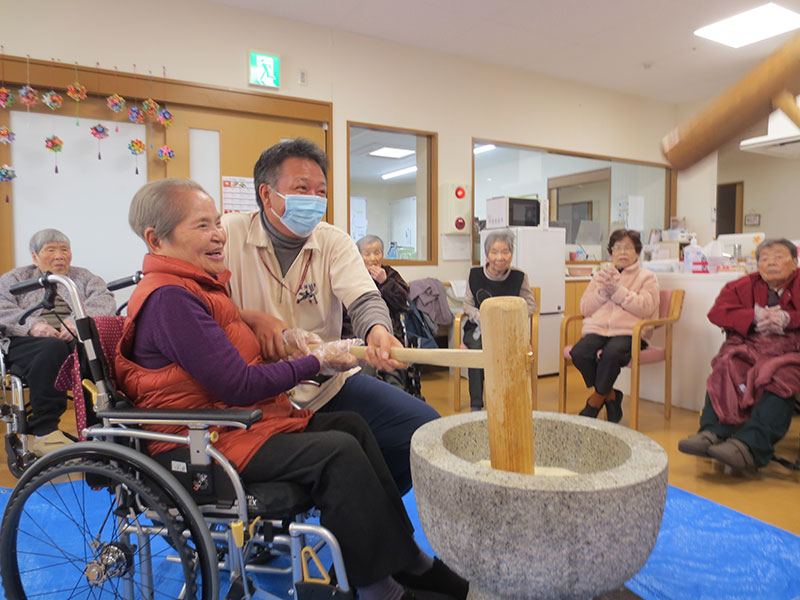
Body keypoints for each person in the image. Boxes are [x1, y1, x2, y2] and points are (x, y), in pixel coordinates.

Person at [117, 178, 468, 600]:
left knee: (353, 428)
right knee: (336, 452)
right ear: (157, 239)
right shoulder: (172, 299)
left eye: (216, 223)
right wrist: (313, 362)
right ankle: (382, 591)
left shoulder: (199, 287)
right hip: (201, 439)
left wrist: (283, 339)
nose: (217, 234)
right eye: (202, 226)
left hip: (230, 424)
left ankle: (410, 560)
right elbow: (239, 384)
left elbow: (358, 299)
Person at [222, 138, 439, 495]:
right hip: (258, 395)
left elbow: (364, 297)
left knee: (424, 429)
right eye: (302, 188)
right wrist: (250, 318)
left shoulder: (333, 241)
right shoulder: (229, 234)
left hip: (327, 385)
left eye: (321, 191)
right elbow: (202, 302)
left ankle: (366, 507)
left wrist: (378, 330)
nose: (314, 200)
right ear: (266, 194)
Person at [678, 239, 800, 473]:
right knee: (727, 364)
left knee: (779, 376)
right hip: (751, 345)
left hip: (792, 350)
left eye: (778, 257)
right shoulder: (743, 285)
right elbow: (717, 313)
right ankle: (711, 431)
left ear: (795, 263)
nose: (770, 262)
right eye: (764, 258)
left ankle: (750, 446)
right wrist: (752, 317)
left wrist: (788, 319)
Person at [0, 228, 116, 456]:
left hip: (71, 341)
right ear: (35, 256)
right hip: (25, 342)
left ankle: (97, 427)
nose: (59, 256)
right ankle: (46, 432)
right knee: (51, 348)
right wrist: (32, 325)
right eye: (50, 250)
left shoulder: (84, 277)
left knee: (92, 350)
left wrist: (76, 324)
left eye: (64, 250)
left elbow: (105, 301)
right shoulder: (15, 278)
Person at [570, 229, 659, 423]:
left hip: (630, 332)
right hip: (599, 329)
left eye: (628, 248)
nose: (623, 252)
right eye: (618, 248)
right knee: (579, 353)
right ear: (611, 252)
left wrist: (618, 291)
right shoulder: (601, 276)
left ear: (637, 252)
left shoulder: (647, 277)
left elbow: (646, 307)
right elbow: (585, 307)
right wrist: (602, 293)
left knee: (611, 355)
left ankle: (594, 403)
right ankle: (610, 396)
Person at [461, 229, 537, 411]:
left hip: (509, 331)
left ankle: (509, 400)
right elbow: (467, 305)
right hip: (479, 330)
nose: (499, 257)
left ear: (511, 255)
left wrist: (510, 315)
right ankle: (476, 405)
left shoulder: (519, 277)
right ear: (487, 255)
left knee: (512, 351)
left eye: (505, 251)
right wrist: (477, 314)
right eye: (494, 252)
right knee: (477, 351)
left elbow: (531, 306)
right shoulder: (475, 275)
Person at [342, 234, 411, 390]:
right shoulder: (351, 275)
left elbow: (403, 302)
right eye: (367, 254)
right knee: (365, 376)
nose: (373, 258)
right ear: (358, 255)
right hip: (357, 336)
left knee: (394, 375)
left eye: (377, 252)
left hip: (390, 333)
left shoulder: (390, 273)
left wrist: (385, 282)